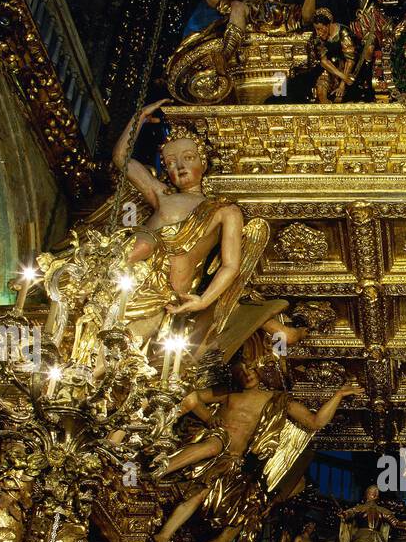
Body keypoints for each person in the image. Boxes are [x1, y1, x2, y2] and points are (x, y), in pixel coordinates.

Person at [110, 100, 300, 358]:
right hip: (128, 271)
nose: (179, 166)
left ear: (204, 161)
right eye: (170, 162)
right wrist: (138, 117)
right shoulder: (161, 194)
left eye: (188, 158)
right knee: (102, 311)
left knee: (125, 345)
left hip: (165, 290)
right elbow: (122, 159)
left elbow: (231, 266)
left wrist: (205, 300)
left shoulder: (224, 211)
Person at [153, 360, 360, 542]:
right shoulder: (229, 391)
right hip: (217, 443)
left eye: (252, 368)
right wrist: (209, 419)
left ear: (264, 371)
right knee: (203, 479)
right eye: (242, 369)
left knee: (232, 531)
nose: (247, 373)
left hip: (237, 466)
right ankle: (155, 479)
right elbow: (191, 397)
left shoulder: (278, 401)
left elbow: (315, 422)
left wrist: (339, 395)